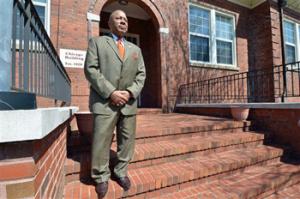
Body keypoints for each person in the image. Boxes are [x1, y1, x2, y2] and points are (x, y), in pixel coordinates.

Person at [84, 10, 146, 198]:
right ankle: (101, 176)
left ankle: (120, 171)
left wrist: (129, 92)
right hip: (105, 102)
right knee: (102, 140)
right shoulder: (97, 42)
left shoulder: (136, 50)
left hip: (128, 103)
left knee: (126, 141)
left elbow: (141, 75)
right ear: (110, 23)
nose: (123, 22)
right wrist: (111, 92)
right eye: (119, 18)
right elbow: (91, 70)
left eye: (125, 19)